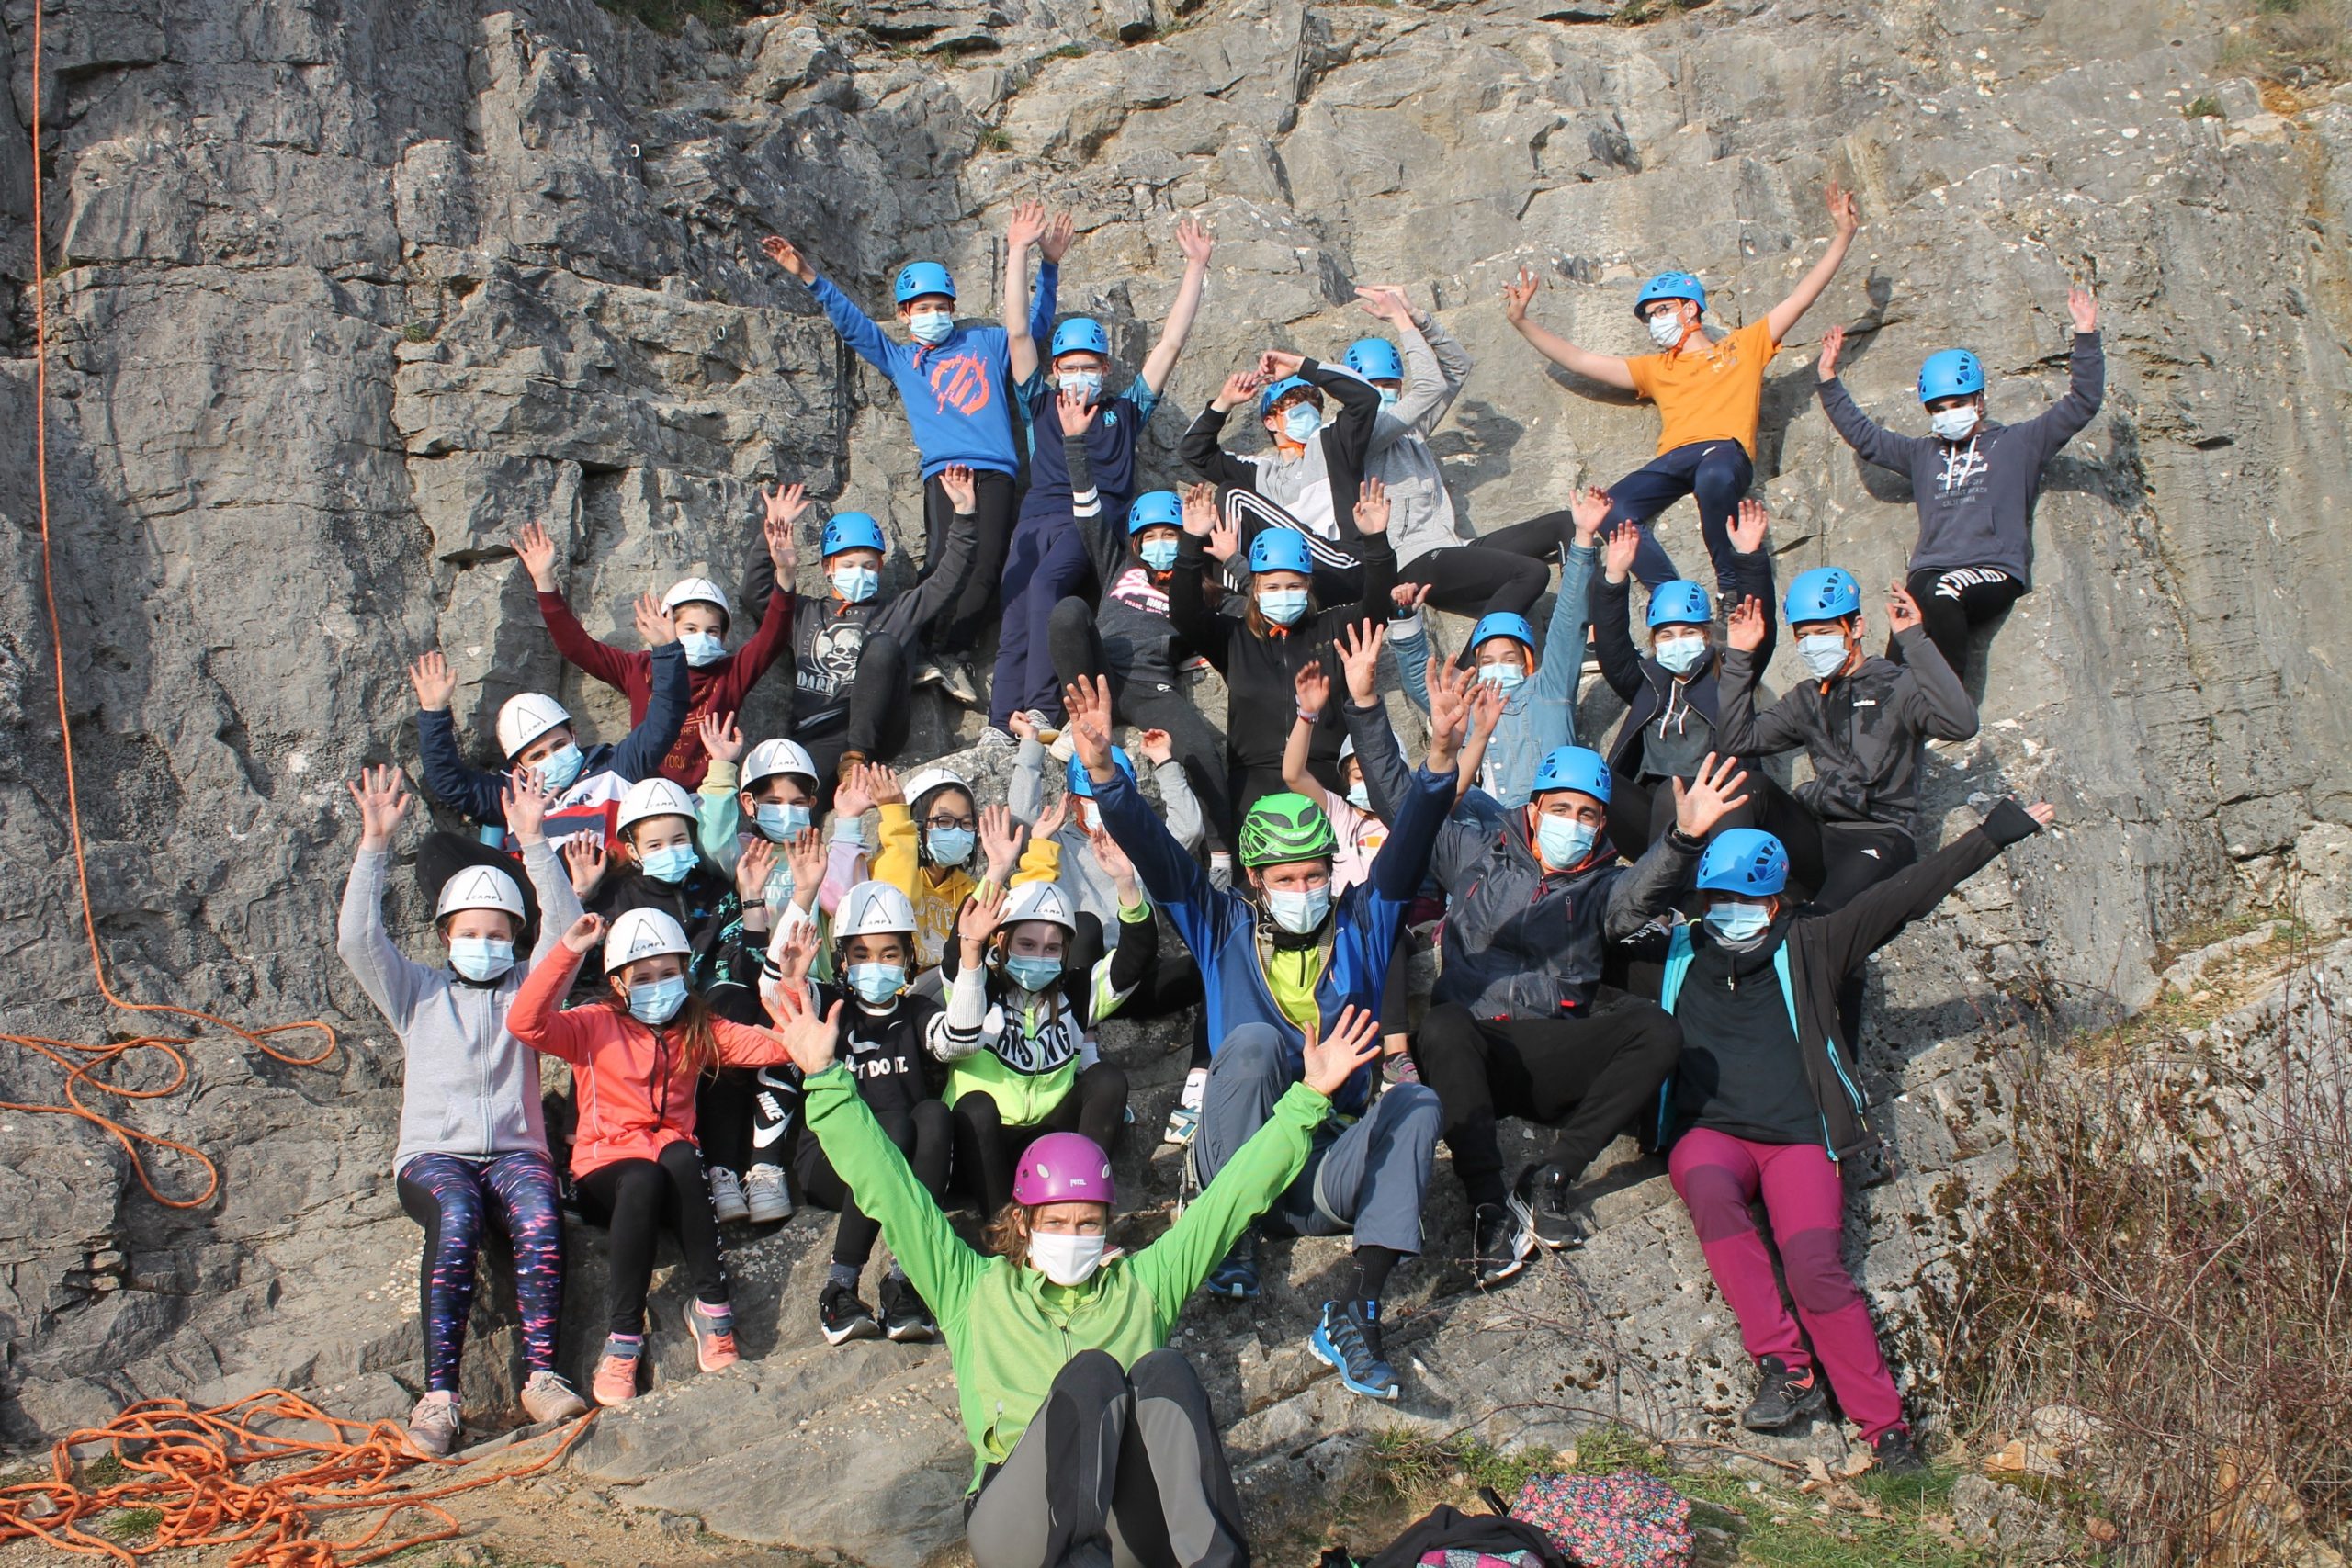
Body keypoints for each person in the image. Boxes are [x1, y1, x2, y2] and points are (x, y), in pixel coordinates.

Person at [768, 975, 1385, 1567]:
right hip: (1020, 1526)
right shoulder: (972, 1288)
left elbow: (1229, 1203)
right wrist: (825, 1078)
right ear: (1024, 1224)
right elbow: (889, 1186)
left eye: (1088, 1222)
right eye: (1057, 1222)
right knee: (1091, 1374)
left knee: (1164, 1368)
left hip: (1122, 1525)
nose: (1074, 1235)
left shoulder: (1142, 1287)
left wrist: (1308, 1099)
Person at [1619, 800, 2054, 1473]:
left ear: (1776, 900)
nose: (1729, 908)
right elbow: (1614, 920)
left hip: (1799, 1137)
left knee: (1817, 1270)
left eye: (1746, 897)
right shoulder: (1677, 950)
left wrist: (1995, 831)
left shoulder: (1814, 941)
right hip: (1713, 1134)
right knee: (1705, 1185)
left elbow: (1907, 896)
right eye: (1719, 897)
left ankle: (1886, 1432)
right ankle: (1786, 1365)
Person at [1079, 669, 1456, 1402]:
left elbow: (1409, 848)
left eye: (1315, 874)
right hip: (1240, 1165)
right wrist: (1104, 773)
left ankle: (1357, 1311)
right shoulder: (1220, 927)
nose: (1303, 889)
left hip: (1317, 1174)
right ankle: (1228, 1235)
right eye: (1285, 878)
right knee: (1250, 1046)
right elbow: (1159, 856)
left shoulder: (1362, 925)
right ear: (1254, 878)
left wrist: (1439, 756)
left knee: (1417, 1104)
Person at [1349, 695, 1733, 1283]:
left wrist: (1682, 838)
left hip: (1549, 1050)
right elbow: (1404, 807)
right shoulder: (1477, 852)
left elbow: (1641, 896)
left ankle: (1550, 1177)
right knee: (1446, 1026)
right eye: (1561, 808)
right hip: (1470, 1049)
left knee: (1657, 1031)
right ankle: (1487, 1205)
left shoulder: (1603, 888)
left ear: (1603, 825)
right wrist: (1368, 707)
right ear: (1532, 811)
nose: (1573, 824)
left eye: (1587, 815)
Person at [339, 767, 593, 1455]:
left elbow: (568, 932)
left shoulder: (528, 992)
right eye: (469, 930)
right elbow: (358, 943)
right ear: (445, 933)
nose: (484, 941)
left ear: (515, 935)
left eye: (499, 931)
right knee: (456, 1216)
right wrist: (374, 846)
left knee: (542, 1217)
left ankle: (541, 1375)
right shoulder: (414, 992)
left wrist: (535, 842)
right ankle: (440, 1396)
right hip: (434, 1157)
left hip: (517, 1153)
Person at [760, 214, 1068, 707]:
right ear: (905, 315)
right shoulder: (903, 359)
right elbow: (856, 327)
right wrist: (808, 276)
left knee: (990, 566)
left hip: (996, 470)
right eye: (921, 308)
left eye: (940, 306)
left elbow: (1030, 329)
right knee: (945, 561)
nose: (932, 315)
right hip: (944, 474)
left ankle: (954, 650)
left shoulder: (985, 342)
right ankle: (924, 647)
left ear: (953, 307)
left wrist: (1047, 265)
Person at [1488, 184, 1861, 591]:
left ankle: (1730, 585)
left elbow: (1800, 300)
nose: (1655, 322)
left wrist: (1843, 235)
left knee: (1715, 479)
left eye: (1663, 310)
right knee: (1612, 510)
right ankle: (1670, 593)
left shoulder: (1742, 347)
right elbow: (1580, 360)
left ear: (1690, 309)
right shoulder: (1656, 368)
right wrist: (1521, 321)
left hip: (1723, 450)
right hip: (1673, 459)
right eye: (1650, 316)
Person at [504, 906, 800, 1405]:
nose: (658, 985)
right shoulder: (593, 1025)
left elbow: (775, 1047)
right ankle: (623, 1341)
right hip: (609, 1175)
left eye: (669, 973)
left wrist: (791, 984)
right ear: (618, 983)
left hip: (674, 1175)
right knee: (641, 1175)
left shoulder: (698, 1026)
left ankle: (712, 1308)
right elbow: (526, 1023)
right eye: (643, 977)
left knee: (683, 1156)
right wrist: (569, 950)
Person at [989, 210, 1214, 736]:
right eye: (1071, 364)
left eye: (1091, 365)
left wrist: (1196, 268)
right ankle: (1001, 723)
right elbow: (1018, 331)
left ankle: (1044, 706)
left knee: (1048, 586)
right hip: (1035, 518)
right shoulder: (1038, 403)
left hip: (1091, 523)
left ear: (1106, 371)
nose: (1081, 374)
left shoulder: (1124, 411)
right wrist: (1019, 250)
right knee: (1016, 611)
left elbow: (1170, 346)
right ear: (1054, 371)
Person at [1813, 287, 2105, 676]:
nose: (1948, 414)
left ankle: (1950, 708)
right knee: (1906, 614)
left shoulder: (2019, 443)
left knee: (1942, 592)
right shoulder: (1923, 454)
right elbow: (1867, 439)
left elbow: (2081, 403)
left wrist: (2085, 334)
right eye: (1938, 408)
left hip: (1993, 569)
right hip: (1930, 570)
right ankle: (1893, 712)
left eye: (1957, 403)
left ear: (1979, 401)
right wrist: (1828, 378)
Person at [767, 883, 955, 1348]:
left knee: (932, 1114)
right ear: (844, 960)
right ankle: (840, 1288)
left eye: (889, 953)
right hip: (829, 1163)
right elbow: (779, 993)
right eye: (862, 954)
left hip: (896, 1162)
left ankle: (905, 1280)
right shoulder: (831, 1008)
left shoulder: (917, 1010)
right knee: (886, 1125)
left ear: (910, 958)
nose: (877, 965)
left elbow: (956, 1038)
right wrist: (790, 978)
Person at [512, 496, 797, 788]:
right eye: (689, 628)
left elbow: (772, 636)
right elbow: (577, 647)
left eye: (712, 631)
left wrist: (785, 573)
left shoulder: (731, 673)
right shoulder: (638, 668)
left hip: (705, 796)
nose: (701, 636)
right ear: (666, 625)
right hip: (644, 795)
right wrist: (544, 580)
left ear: (724, 637)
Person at [737, 468, 982, 798]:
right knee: (798, 799)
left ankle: (856, 757)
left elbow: (949, 580)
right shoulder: (804, 613)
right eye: (848, 564)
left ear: (880, 568)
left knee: (882, 646)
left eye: (869, 565)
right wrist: (771, 536)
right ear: (827, 568)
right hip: (817, 734)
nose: (860, 573)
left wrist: (965, 515)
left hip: (878, 730)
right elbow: (757, 595)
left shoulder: (898, 611)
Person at [1166, 478, 1397, 820]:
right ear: (1255, 590)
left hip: (1323, 780)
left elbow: (1376, 607)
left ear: (1308, 586)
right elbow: (1185, 614)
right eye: (1273, 586)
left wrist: (1376, 541)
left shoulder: (1333, 627)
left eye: (1293, 585)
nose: (1283, 593)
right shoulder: (1233, 637)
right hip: (1252, 783)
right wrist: (1190, 544)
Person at [935, 877, 1148, 1220]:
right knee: (976, 1106)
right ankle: (1001, 1230)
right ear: (1002, 941)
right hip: (976, 1144)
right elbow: (954, 956)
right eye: (1027, 945)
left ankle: (1082, 1204)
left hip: (1043, 1144)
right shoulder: (980, 986)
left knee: (1106, 1079)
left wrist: (1126, 885)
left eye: (1052, 948)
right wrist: (995, 872)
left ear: (1065, 952)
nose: (1039, 956)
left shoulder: (1077, 994)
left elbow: (1133, 961)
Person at [1384, 485, 1607, 807]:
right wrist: (1403, 617)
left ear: (1527, 662)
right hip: (1493, 833)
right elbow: (1423, 680)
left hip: (1549, 816)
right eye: (1487, 660)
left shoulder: (1550, 690)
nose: (1497, 666)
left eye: (1508, 657)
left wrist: (1583, 539)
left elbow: (1569, 623)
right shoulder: (1466, 708)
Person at [409, 603, 688, 850]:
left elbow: (665, 718)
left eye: (559, 745)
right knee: (439, 848)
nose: (552, 757)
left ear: (574, 735)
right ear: (519, 767)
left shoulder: (618, 765)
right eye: (537, 756)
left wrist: (665, 651)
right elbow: (449, 783)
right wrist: (434, 712)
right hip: (544, 897)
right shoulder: (510, 797)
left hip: (615, 890)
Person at [1348, 286, 1551, 625]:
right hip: (1414, 561)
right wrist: (1400, 322)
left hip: (1452, 546)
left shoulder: (1409, 429)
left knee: (1565, 523)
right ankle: (1481, 654)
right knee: (1531, 572)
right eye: (1372, 385)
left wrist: (1417, 317)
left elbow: (1457, 368)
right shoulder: (1360, 437)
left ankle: (1590, 633)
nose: (1384, 392)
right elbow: (1431, 387)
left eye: (1391, 384)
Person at [1051, 486, 1235, 849]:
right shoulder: (1120, 568)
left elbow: (1258, 610)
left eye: (1170, 534)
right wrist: (1075, 442)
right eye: (1150, 536)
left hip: (1150, 687)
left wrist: (1233, 560)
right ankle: (1080, 722)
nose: (1160, 543)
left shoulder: (1206, 594)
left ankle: (1224, 857)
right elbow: (1089, 518)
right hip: (1099, 674)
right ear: (1136, 544)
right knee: (1069, 611)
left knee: (1202, 754)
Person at [1590, 501, 1779, 847]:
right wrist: (1614, 578)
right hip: (1654, 810)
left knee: (1672, 793)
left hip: (1717, 805)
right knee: (1593, 776)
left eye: (1689, 633)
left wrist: (1750, 558)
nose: (1678, 643)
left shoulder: (1731, 676)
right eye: (1666, 635)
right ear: (1654, 642)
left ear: (1707, 636)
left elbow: (1759, 630)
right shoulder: (1648, 681)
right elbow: (1612, 648)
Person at [1181, 351, 1385, 596]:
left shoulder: (1333, 444)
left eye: (1314, 409)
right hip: (1289, 575)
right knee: (1212, 517)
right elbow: (1194, 451)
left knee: (1233, 495)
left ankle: (1232, 605)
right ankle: (1237, 613)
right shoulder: (1260, 472)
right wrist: (1224, 402)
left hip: (1342, 564)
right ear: (1270, 422)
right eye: (1296, 410)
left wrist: (1300, 366)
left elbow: (1366, 398)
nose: (1309, 415)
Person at [870, 765, 1063, 975]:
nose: (957, 831)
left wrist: (1005, 864)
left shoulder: (970, 889)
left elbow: (1019, 927)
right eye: (944, 821)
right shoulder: (888, 866)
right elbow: (897, 904)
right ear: (916, 825)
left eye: (965, 823)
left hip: (959, 990)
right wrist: (896, 819)